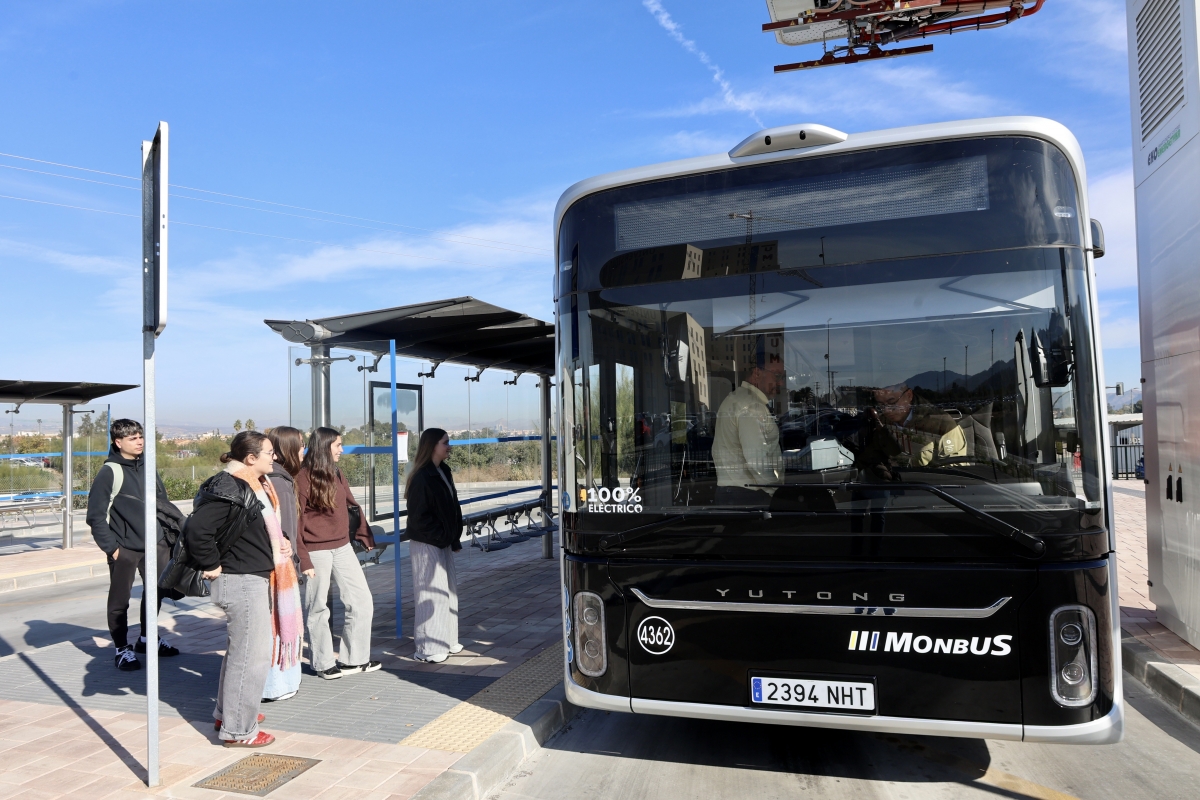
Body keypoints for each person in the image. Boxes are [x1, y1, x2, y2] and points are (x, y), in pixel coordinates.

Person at [186, 431, 289, 747]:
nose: (275, 457)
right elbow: (196, 529)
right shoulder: (231, 486)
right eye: (270, 452)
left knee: (241, 654)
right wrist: (210, 563)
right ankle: (238, 730)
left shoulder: (252, 485)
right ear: (250, 458)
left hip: (251, 576)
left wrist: (278, 542)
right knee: (251, 658)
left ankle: (227, 714)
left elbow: (253, 528)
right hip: (240, 580)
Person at [85, 418, 181, 672]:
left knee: (156, 593)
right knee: (120, 601)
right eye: (132, 438)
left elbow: (163, 503)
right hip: (125, 549)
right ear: (118, 442)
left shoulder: (149, 467)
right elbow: (95, 516)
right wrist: (114, 549)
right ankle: (121, 649)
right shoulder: (109, 472)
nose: (139, 441)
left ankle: (147, 639)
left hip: (156, 545)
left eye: (140, 437)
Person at [296, 427, 378, 680]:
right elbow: (295, 522)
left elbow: (351, 504)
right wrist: (304, 558)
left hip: (343, 546)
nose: (342, 450)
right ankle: (321, 663)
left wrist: (364, 534)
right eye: (338, 445)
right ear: (325, 447)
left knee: (362, 600)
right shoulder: (302, 478)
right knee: (317, 607)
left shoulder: (336, 472)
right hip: (316, 549)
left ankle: (354, 659)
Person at [404, 428, 465, 663]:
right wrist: (442, 536)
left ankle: (446, 640)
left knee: (448, 593)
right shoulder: (421, 477)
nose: (449, 446)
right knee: (430, 595)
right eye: (445, 442)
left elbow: (453, 508)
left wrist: (454, 537)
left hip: (443, 542)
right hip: (428, 544)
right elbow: (419, 517)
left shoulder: (443, 471)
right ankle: (427, 647)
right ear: (432, 445)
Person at [711, 339, 786, 504]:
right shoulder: (752, 406)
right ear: (757, 373)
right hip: (749, 496)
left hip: (733, 493)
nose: (781, 382)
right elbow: (757, 461)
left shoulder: (736, 399)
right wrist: (776, 493)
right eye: (777, 375)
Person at [262, 426, 306, 702]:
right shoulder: (278, 482)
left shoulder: (282, 479)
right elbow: (283, 528)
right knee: (277, 625)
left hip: (282, 564)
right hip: (278, 568)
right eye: (300, 446)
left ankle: (281, 683)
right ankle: (275, 685)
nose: (304, 451)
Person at [856, 384, 967, 480]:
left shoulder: (942, 424)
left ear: (909, 395)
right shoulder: (879, 425)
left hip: (928, 494)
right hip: (888, 492)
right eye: (881, 404)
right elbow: (867, 460)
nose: (886, 409)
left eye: (891, 402)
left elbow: (956, 472)